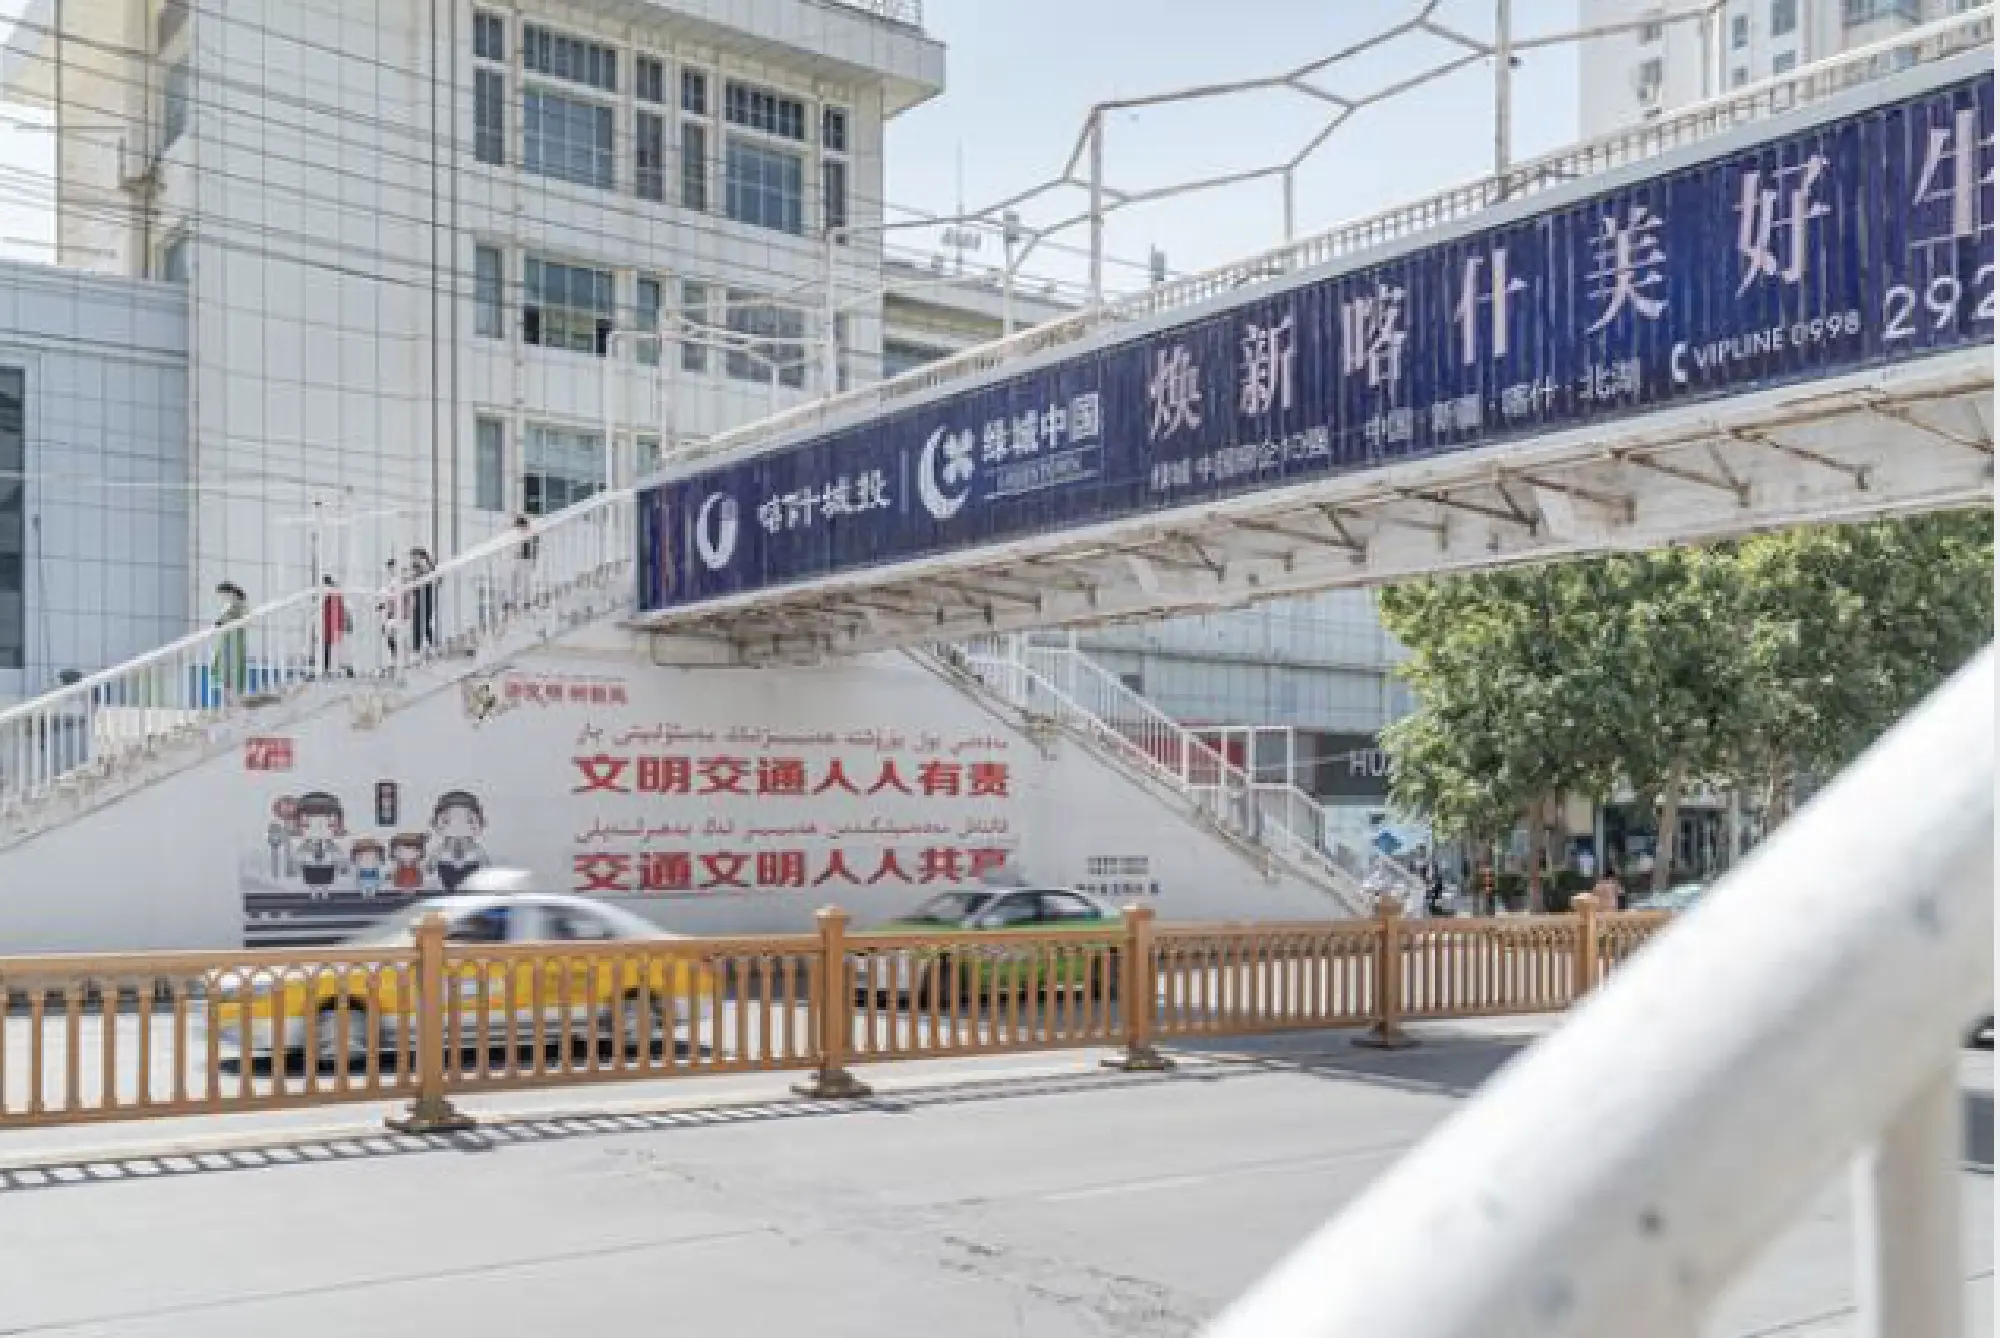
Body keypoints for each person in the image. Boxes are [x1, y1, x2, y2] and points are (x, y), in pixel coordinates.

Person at [212, 581, 249, 704]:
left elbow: (239, 620)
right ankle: (229, 699)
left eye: (222, 594)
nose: (222, 598)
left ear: (229, 592)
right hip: (226, 639)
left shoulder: (238, 605)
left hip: (233, 639)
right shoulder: (231, 605)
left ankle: (234, 699)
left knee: (231, 666)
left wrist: (221, 622)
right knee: (225, 668)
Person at [318, 575, 350, 677]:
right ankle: (333, 667)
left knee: (331, 645)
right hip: (331, 622)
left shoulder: (331, 593)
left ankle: (332, 668)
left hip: (331, 622)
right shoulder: (336, 593)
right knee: (332, 645)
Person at [408, 547, 437, 656]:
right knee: (416, 623)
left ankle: (430, 645)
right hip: (417, 599)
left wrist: (424, 567)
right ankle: (417, 648)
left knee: (426, 622)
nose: (412, 560)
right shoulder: (414, 568)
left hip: (426, 598)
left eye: (414, 557)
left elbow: (436, 579)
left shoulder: (427, 567)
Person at [508, 514, 537, 613]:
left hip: (525, 558)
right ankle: (515, 602)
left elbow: (533, 527)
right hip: (518, 558)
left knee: (525, 580)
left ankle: (525, 602)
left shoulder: (528, 533)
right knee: (516, 580)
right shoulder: (517, 534)